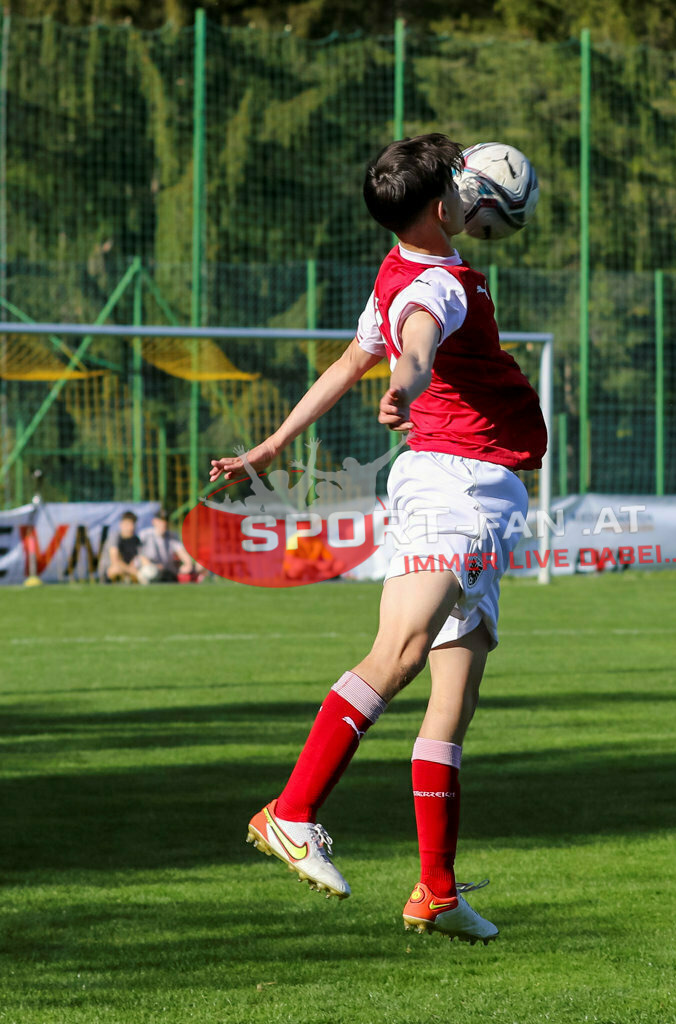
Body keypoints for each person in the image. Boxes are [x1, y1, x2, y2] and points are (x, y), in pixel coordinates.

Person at [210, 133, 547, 944]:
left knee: (454, 697)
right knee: (397, 653)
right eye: (462, 189)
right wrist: (407, 383)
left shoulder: (399, 271)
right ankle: (291, 813)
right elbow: (419, 339)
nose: (471, 196)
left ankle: (435, 891)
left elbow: (347, 363)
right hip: (453, 488)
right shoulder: (437, 285)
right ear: (443, 208)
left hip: (479, 496)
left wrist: (269, 445)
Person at [137, 509, 198, 583]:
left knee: (198, 566)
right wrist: (153, 566)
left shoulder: (172, 535)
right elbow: (140, 555)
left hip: (167, 570)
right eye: (161, 520)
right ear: (154, 521)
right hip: (150, 568)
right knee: (150, 571)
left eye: (166, 520)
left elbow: (182, 552)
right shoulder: (144, 535)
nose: (164, 523)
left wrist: (188, 564)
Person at [104, 510, 142, 582]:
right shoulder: (114, 537)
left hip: (128, 570)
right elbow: (115, 560)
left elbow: (139, 557)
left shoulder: (136, 539)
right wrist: (130, 570)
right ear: (121, 524)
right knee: (116, 569)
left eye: (133, 524)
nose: (131, 527)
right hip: (110, 570)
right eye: (128, 524)